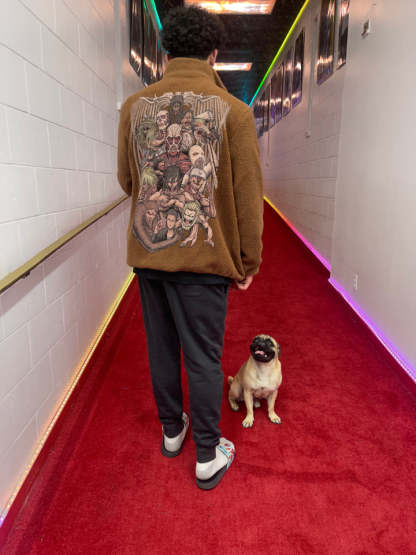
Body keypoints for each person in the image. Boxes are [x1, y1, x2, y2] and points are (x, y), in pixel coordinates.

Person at [117, 5, 264, 490]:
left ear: (165, 52)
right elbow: (247, 197)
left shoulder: (134, 107)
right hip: (204, 258)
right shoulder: (235, 113)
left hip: (151, 254)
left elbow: (128, 181)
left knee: (161, 350)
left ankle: (172, 430)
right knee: (203, 357)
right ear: (214, 54)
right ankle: (206, 454)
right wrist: (248, 260)